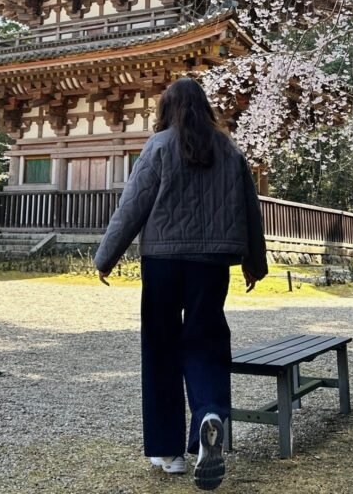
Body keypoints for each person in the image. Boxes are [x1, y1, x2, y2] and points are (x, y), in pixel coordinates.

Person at [94, 77, 268, 491]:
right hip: (212, 265)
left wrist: (106, 256)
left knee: (160, 348)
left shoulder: (157, 147)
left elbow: (132, 205)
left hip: (163, 262)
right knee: (206, 343)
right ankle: (209, 414)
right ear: (204, 106)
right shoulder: (229, 149)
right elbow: (250, 207)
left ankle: (168, 452)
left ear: (166, 109)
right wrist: (254, 264)